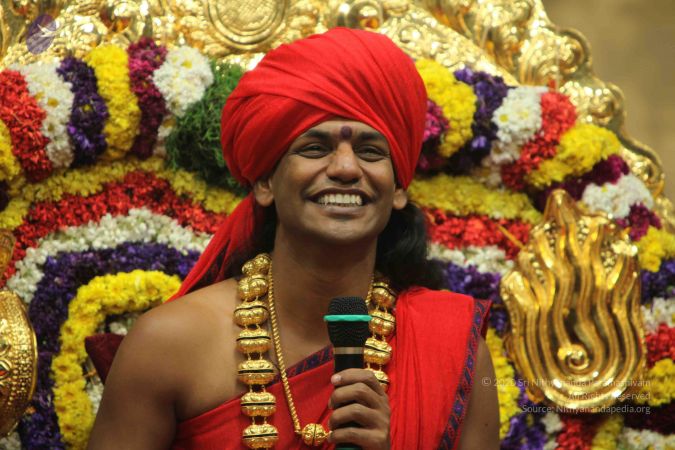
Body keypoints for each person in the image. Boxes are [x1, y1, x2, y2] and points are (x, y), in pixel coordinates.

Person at [88, 28, 500, 449]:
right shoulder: (169, 343)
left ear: (397, 189)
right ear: (265, 182)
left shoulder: (451, 348)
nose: (345, 168)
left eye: (371, 151)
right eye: (315, 148)